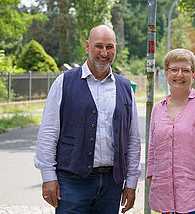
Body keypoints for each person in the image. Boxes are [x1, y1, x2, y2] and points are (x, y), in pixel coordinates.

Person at [34, 24, 141, 214]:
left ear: (115, 47)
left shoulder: (125, 87)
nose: (104, 52)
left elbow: (133, 139)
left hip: (111, 183)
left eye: (109, 47)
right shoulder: (64, 82)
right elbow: (49, 132)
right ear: (87, 46)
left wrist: (131, 182)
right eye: (98, 46)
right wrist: (48, 176)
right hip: (72, 181)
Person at [147, 48, 195, 214]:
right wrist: (151, 182)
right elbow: (152, 151)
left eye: (186, 71)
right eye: (174, 70)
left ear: (193, 74)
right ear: (166, 74)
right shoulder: (157, 110)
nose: (179, 75)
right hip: (165, 197)